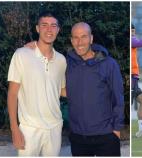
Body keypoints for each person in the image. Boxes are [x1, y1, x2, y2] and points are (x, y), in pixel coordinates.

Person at [7, 12, 66, 156]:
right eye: (44, 25)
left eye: (53, 26)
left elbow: (61, 90)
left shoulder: (61, 60)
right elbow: (12, 93)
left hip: (55, 127)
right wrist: (14, 129)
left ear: (58, 30)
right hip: (29, 129)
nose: (49, 29)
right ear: (37, 29)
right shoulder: (22, 54)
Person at [66, 22, 124, 156]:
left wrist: (116, 129)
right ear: (71, 40)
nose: (79, 42)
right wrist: (33, 46)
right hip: (78, 137)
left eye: (84, 37)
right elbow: (47, 57)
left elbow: (118, 98)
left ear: (91, 38)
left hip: (106, 136)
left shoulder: (109, 64)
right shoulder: (66, 64)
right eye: (75, 37)